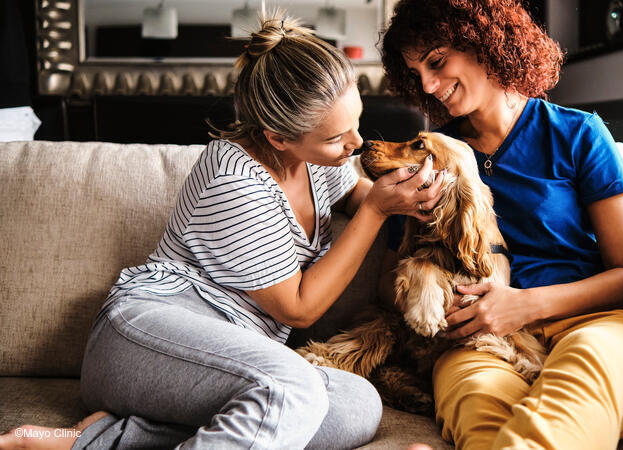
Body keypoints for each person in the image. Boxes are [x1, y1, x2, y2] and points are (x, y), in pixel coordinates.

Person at [0, 13, 444, 450]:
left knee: (356, 404)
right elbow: (299, 308)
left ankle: (97, 438)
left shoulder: (317, 161)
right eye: (335, 138)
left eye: (356, 123)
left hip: (229, 364)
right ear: (277, 138)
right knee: (293, 388)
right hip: (145, 337)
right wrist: (378, 211)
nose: (355, 144)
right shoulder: (232, 179)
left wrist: (414, 198)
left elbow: (361, 192)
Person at [379, 1, 623, 449]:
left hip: (598, 325)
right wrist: (434, 288)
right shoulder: (433, 158)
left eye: (436, 61)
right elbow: (387, 280)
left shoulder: (578, 134)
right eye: (415, 72)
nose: (428, 84)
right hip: (482, 342)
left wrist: (524, 305)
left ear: (481, 40)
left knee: (581, 373)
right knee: (477, 404)